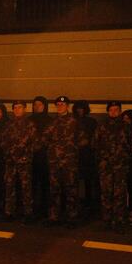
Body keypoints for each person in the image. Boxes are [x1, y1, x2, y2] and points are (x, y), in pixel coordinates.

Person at [93, 101, 132, 233]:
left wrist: (125, 156)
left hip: (120, 166)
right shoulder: (102, 127)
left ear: (120, 111)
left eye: (116, 110)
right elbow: (95, 144)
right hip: (106, 166)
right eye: (111, 110)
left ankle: (118, 221)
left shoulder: (127, 128)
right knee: (106, 193)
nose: (113, 112)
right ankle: (106, 221)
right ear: (108, 111)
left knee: (119, 194)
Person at [43, 96, 80, 227]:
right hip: (55, 163)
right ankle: (54, 217)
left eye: (62, 104)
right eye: (58, 104)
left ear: (67, 106)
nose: (60, 106)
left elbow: (82, 140)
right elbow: (44, 139)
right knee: (54, 190)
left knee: (71, 191)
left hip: (69, 163)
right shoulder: (52, 123)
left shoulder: (74, 122)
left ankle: (72, 218)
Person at [1, 100, 37, 222]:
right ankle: (9, 212)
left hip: (24, 161)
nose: (17, 110)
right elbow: (3, 141)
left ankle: (28, 213)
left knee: (26, 187)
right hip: (11, 161)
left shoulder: (30, 124)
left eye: (20, 107)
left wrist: (26, 155)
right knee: (9, 186)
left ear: (25, 109)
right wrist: (9, 153)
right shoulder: (9, 125)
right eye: (15, 108)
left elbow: (34, 143)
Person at [73, 100, 98, 217]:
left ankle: (88, 204)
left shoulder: (91, 122)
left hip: (87, 155)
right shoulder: (72, 121)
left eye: (81, 108)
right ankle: (76, 204)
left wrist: (89, 143)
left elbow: (95, 137)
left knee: (88, 180)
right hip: (74, 155)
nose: (79, 110)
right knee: (74, 181)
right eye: (78, 108)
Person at [29, 96, 50, 217]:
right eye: (35, 104)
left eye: (40, 104)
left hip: (45, 157)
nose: (37, 107)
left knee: (45, 184)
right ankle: (33, 209)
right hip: (31, 157)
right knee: (32, 184)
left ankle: (44, 208)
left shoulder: (49, 120)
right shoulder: (29, 120)